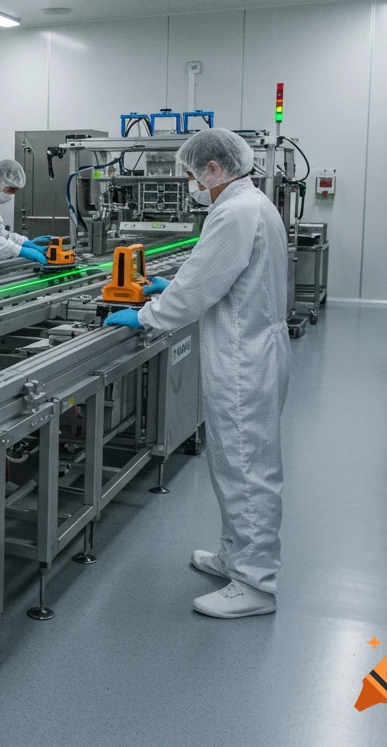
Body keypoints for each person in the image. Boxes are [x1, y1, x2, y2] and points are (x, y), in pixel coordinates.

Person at [104, 128, 291, 619]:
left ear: (214, 168)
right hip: (252, 346)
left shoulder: (233, 211)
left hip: (243, 356)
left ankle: (255, 585)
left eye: (191, 173)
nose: (189, 182)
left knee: (247, 469)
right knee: (234, 462)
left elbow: (197, 291)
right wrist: (173, 281)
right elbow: (219, 271)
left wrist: (146, 313)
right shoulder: (254, 204)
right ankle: (236, 557)